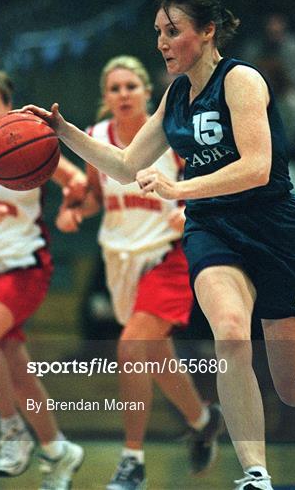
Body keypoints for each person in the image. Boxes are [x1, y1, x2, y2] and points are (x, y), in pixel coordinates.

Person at [17, 0, 295, 490]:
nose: (162, 42)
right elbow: (122, 166)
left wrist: (178, 185)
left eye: (172, 31)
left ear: (207, 32)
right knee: (229, 330)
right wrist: (63, 132)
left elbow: (256, 167)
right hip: (213, 229)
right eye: (158, 32)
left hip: (279, 231)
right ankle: (255, 475)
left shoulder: (242, 81)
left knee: (294, 386)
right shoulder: (176, 98)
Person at [55, 55, 223, 490]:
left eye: (131, 86)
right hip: (119, 258)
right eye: (115, 88)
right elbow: (94, 198)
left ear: (149, 91)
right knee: (155, 355)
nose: (123, 94)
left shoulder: (172, 135)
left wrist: (188, 208)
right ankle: (203, 420)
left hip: (168, 256)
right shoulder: (95, 138)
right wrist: (73, 211)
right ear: (105, 98)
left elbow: (212, 184)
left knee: (131, 346)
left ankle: (132, 461)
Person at [0, 70, 85, 490]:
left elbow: (77, 180)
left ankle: (12, 430)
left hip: (23, 265)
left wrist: (71, 209)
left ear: (6, 108)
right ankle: (58, 450)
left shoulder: (27, 140)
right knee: (18, 373)